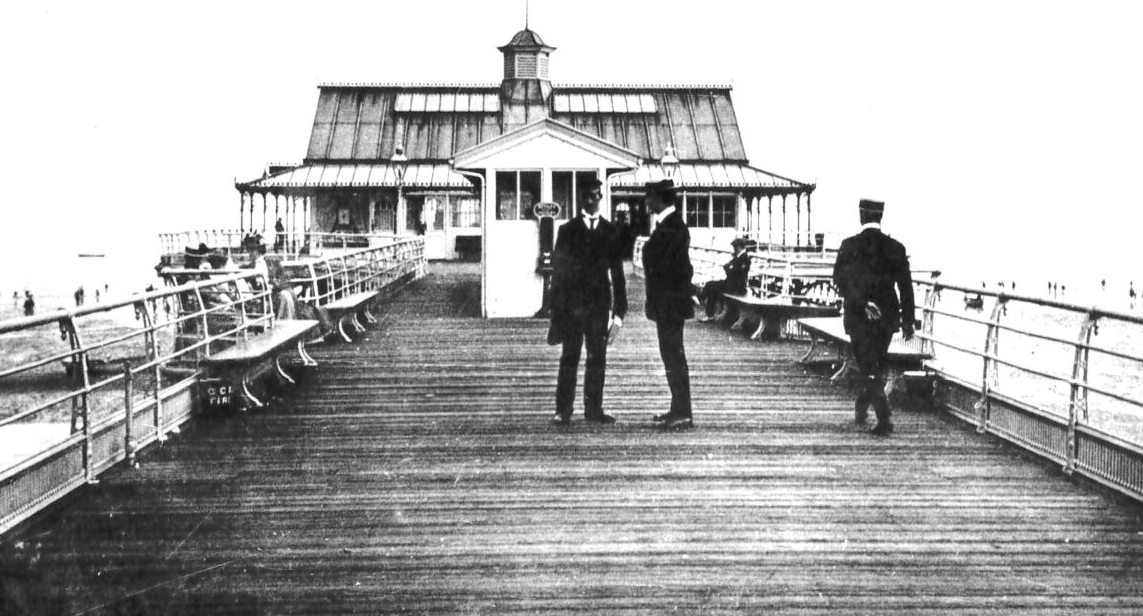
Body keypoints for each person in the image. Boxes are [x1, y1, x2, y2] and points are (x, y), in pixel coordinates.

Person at [548, 177, 627, 425]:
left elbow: (618, 274)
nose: (592, 199)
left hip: (598, 307)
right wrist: (557, 314)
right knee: (569, 357)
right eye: (587, 195)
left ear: (601, 198)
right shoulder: (567, 231)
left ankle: (594, 409)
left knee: (597, 358)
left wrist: (619, 316)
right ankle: (563, 410)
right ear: (580, 198)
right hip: (572, 307)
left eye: (596, 195)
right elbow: (558, 275)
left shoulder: (610, 231)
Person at [832, 199, 915, 436]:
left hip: (857, 315)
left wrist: (862, 302)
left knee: (867, 363)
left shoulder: (849, 245)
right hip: (887, 316)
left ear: (861, 216)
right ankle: (863, 404)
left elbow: (839, 280)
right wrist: (908, 320)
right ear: (881, 217)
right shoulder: (896, 248)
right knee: (874, 363)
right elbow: (906, 287)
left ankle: (884, 418)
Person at [642, 179, 695, 429]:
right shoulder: (669, 225)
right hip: (668, 304)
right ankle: (677, 408)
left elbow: (676, 268)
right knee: (670, 356)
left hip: (670, 304)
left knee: (674, 356)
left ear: (659, 199)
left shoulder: (674, 227)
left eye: (649, 197)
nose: (646, 202)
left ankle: (683, 411)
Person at [698, 237, 751, 321]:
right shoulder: (737, 257)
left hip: (737, 286)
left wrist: (730, 269)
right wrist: (730, 269)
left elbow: (737, 273)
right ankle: (707, 309)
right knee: (710, 285)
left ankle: (703, 303)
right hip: (730, 283)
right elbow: (727, 267)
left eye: (735, 247)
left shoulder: (745, 259)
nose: (734, 249)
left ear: (740, 247)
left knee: (711, 286)